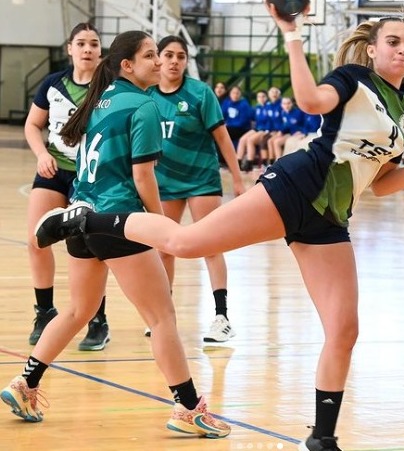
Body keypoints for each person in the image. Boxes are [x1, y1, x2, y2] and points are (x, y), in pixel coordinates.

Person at [31, 5, 404, 450]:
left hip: (330, 216)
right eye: (393, 42)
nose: (403, 50)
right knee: (187, 243)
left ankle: (323, 439)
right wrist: (292, 34)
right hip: (296, 185)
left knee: (344, 329)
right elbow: (311, 102)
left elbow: (381, 183)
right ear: (372, 49)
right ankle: (87, 219)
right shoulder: (353, 79)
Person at [1, 30, 230, 438]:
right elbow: (143, 176)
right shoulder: (143, 105)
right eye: (150, 56)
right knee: (162, 317)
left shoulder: (99, 100)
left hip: (82, 213)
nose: (159, 62)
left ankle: (25, 383)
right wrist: (156, 223)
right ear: (127, 65)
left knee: (78, 310)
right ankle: (188, 408)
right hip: (118, 218)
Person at [144, 35, 245, 342]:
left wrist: (238, 179)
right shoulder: (147, 95)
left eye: (181, 56)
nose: (174, 61)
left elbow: (223, 138)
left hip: (202, 179)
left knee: (209, 245)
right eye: (169, 55)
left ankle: (222, 317)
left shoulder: (200, 93)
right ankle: (163, 315)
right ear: (158, 58)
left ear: (187, 61)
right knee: (164, 249)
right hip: (164, 182)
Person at [24, 22, 110, 351]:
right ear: (70, 49)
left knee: (90, 248)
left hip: (90, 176)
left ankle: (98, 320)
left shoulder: (109, 88)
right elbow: (33, 125)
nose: (87, 49)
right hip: (54, 170)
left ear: (100, 51)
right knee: (36, 239)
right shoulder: (53, 84)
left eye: (94, 43)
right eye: (81, 43)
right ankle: (45, 311)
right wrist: (41, 153)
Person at [221, 85, 252, 149]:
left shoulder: (244, 104)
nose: (235, 95)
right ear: (230, 94)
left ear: (240, 94)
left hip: (241, 128)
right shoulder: (226, 102)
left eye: (237, 93)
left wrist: (228, 124)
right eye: (233, 93)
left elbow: (243, 121)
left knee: (224, 132)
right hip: (229, 127)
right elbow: (222, 115)